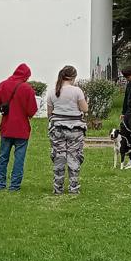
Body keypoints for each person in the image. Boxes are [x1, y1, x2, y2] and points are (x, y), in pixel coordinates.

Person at [44, 65, 89, 195]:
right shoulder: (77, 91)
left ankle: (57, 188)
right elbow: (84, 109)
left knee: (59, 157)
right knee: (74, 157)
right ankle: (73, 188)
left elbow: (49, 114)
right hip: (75, 129)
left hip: (57, 128)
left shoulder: (52, 92)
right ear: (73, 77)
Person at [0, 63, 38, 192]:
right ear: (26, 75)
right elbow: (32, 111)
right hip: (22, 129)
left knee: (3, 157)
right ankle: (14, 185)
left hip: (7, 127)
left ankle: (1, 183)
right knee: (19, 159)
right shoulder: (27, 89)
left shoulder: (2, 85)